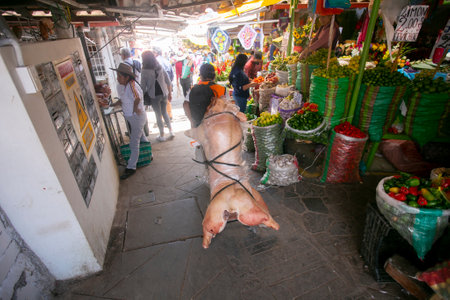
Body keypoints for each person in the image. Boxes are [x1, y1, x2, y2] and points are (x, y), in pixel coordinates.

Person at [110, 63, 148, 180]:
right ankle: (149, 154)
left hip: (136, 117)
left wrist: (135, 109)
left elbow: (137, 97)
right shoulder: (126, 86)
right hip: (133, 117)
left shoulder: (131, 85)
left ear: (127, 77)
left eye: (119, 76)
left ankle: (131, 167)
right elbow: (123, 100)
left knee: (134, 142)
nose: (118, 78)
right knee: (141, 136)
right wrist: (113, 104)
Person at [140, 51, 174, 142]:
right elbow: (168, 81)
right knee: (164, 112)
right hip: (164, 93)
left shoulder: (144, 71)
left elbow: (142, 87)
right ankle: (171, 131)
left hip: (154, 96)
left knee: (158, 115)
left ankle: (162, 135)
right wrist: (170, 93)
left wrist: (141, 97)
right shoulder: (159, 67)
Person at [183, 63, 226, 128]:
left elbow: (185, 104)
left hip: (198, 126)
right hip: (217, 127)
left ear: (201, 76)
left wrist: (192, 121)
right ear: (214, 76)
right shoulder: (222, 89)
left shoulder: (193, 89)